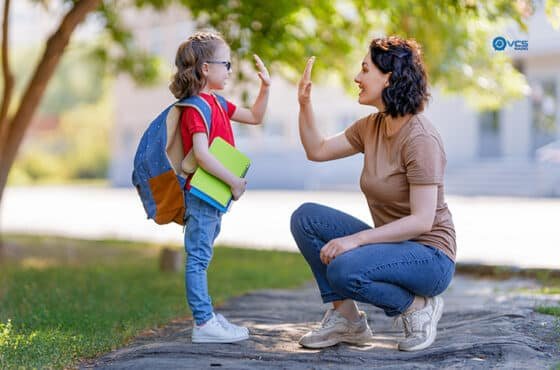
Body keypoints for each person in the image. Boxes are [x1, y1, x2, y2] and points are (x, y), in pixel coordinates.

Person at [290, 36, 456, 352]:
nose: (357, 77)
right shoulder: (372, 126)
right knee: (306, 218)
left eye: (365, 69)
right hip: (392, 246)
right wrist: (304, 104)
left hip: (430, 258)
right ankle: (347, 320)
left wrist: (355, 240)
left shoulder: (421, 138)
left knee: (343, 268)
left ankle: (416, 308)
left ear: (389, 77)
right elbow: (317, 149)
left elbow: (422, 221)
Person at [169, 31, 270, 343]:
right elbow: (201, 154)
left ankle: (207, 315)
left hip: (211, 193)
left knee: (204, 253)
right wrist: (234, 181)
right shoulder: (195, 108)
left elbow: (254, 116)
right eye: (225, 63)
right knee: (198, 258)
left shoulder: (217, 103)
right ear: (204, 69)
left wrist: (265, 88)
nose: (229, 70)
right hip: (201, 193)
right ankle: (203, 323)